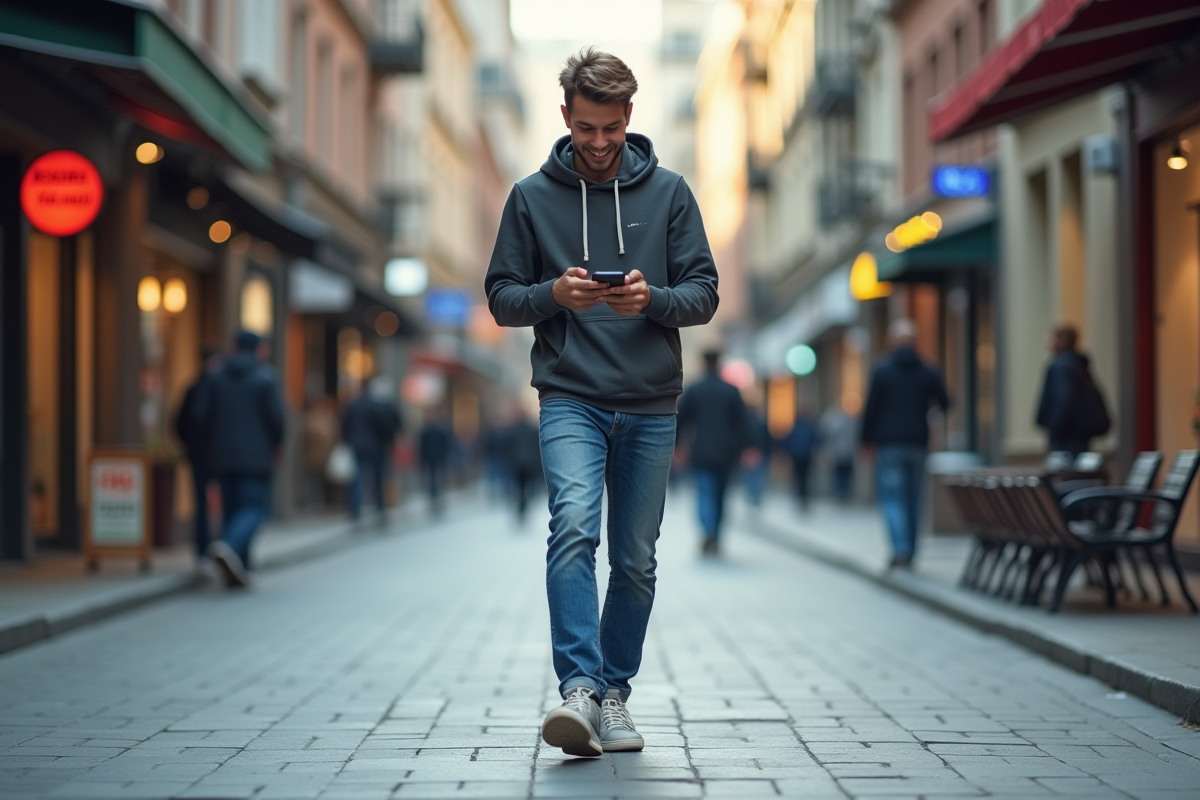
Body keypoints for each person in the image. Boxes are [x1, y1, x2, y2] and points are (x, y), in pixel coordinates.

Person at [483, 48, 718, 758]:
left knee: (636, 559)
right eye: (585, 128)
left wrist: (654, 300)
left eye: (611, 128)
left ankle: (615, 694)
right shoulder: (530, 197)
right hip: (570, 395)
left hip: (650, 401)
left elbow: (704, 293)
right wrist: (553, 294)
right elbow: (501, 298)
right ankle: (579, 689)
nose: (598, 143)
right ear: (565, 117)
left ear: (629, 117)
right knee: (574, 528)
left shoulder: (670, 192)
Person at [193, 330, 284, 587]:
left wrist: (212, 445)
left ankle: (239, 568)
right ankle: (230, 546)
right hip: (256, 457)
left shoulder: (215, 378)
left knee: (232, 510)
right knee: (255, 508)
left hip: (221, 456)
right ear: (259, 349)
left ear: (234, 347)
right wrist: (276, 446)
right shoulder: (265, 378)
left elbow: (200, 416)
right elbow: (277, 419)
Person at [861, 319, 949, 569]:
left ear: (892, 342)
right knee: (914, 499)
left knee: (892, 498)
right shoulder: (928, 370)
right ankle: (911, 550)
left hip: (889, 444)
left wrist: (865, 440)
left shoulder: (882, 370)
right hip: (918, 442)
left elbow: (871, 408)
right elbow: (945, 401)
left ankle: (900, 547)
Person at [677, 350, 751, 555]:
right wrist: (749, 447)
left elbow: (681, 419)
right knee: (720, 496)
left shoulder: (695, 389)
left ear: (704, 363)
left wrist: (676, 446)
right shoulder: (731, 391)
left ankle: (708, 532)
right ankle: (715, 535)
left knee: (705, 493)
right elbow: (742, 422)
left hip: (700, 451)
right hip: (726, 452)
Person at [174, 345, 222, 561]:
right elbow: (179, 423)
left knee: (204, 503)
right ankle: (213, 547)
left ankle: (208, 549)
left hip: (205, 455)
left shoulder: (195, 389)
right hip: (213, 456)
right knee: (209, 503)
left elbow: (179, 424)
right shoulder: (205, 390)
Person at [1035, 323, 1110, 458]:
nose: (1048, 342)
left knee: (1065, 467)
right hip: (1080, 434)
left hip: (1066, 435)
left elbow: (1065, 398)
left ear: (1062, 340)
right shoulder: (1078, 363)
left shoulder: (1061, 366)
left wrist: (1055, 428)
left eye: (1051, 338)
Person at [343, 376, 403, 524]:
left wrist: (348, 441)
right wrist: (388, 441)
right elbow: (386, 426)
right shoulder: (377, 405)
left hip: (357, 446)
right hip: (377, 447)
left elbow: (345, 425)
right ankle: (379, 508)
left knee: (357, 477)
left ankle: (355, 510)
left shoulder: (353, 405)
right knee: (377, 478)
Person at [500, 404, 543, 524]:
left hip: (517, 464)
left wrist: (507, 460)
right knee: (528, 487)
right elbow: (537, 445)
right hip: (530, 463)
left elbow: (505, 447)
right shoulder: (532, 429)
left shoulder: (511, 430)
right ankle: (524, 505)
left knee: (520, 487)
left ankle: (521, 506)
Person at [301, 395, 340, 509]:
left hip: (327, 454)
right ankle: (314, 501)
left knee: (327, 479)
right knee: (314, 479)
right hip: (313, 454)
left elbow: (335, 435)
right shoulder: (310, 417)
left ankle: (328, 502)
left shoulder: (330, 418)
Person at [820, 399, 858, 503]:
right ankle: (839, 493)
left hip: (848, 452)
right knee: (838, 473)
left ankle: (845, 493)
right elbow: (826, 433)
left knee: (847, 474)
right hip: (837, 452)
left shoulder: (851, 419)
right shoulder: (833, 418)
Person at [782, 404, 819, 511]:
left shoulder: (796, 427)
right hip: (804, 455)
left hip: (799, 455)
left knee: (800, 477)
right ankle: (803, 497)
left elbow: (788, 441)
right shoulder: (809, 426)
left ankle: (801, 496)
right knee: (804, 477)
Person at [417, 410, 454, 515]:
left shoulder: (426, 431)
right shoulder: (440, 430)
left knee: (432, 476)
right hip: (439, 456)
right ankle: (439, 494)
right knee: (440, 476)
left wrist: (422, 458)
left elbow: (422, 446)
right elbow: (446, 443)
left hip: (430, 457)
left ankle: (434, 495)